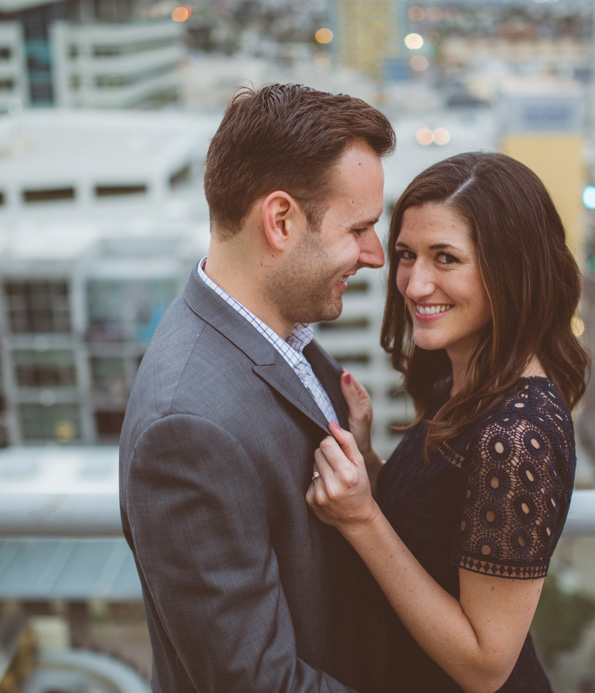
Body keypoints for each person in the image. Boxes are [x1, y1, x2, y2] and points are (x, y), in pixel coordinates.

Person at [119, 83, 395, 691]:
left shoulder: (280, 334)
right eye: (360, 228)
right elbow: (257, 682)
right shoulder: (185, 428)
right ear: (280, 221)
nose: (375, 255)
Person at [307, 152, 590, 692]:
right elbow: (436, 528)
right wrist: (368, 461)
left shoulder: (518, 434)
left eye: (446, 259)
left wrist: (360, 518)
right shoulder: (459, 382)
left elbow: (486, 665)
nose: (414, 285)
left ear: (511, 268)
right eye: (407, 256)